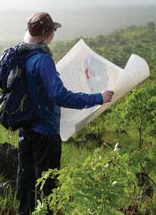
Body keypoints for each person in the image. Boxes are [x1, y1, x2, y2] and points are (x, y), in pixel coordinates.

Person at [16, 12, 114, 215]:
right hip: (44, 133)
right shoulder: (42, 60)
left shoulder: (23, 54)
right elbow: (59, 96)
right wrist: (97, 98)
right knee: (47, 185)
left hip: (26, 128)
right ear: (48, 34)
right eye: (53, 30)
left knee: (25, 179)